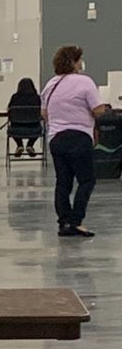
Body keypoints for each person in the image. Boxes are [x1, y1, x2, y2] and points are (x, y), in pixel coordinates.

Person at [41, 45, 108, 238]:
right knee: (87, 180)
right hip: (79, 137)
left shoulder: (50, 84)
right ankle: (76, 221)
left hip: (56, 139)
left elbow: (44, 113)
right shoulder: (84, 82)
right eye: (79, 60)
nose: (81, 63)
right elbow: (98, 110)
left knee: (63, 182)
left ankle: (64, 222)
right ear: (73, 62)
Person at [8, 78, 42, 157]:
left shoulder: (15, 97)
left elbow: (9, 111)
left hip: (16, 129)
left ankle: (19, 145)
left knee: (12, 127)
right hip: (34, 128)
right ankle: (30, 145)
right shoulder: (36, 98)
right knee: (39, 128)